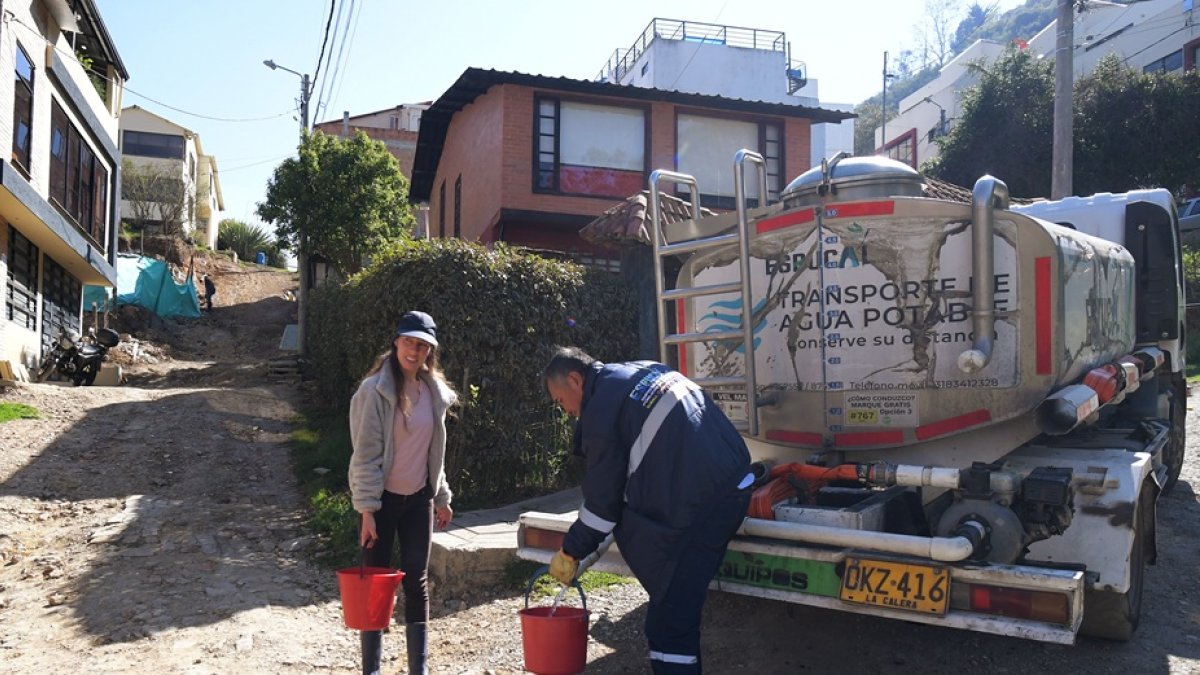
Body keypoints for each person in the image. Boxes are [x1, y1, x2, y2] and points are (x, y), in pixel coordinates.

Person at [543, 347, 753, 674]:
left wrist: (570, 551)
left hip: (706, 503)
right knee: (672, 612)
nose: (566, 411)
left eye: (560, 401)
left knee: (669, 622)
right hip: (736, 476)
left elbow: (602, 507)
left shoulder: (600, 411)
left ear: (575, 380)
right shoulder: (642, 370)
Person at [349, 311, 457, 675]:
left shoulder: (434, 393)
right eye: (409, 341)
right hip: (381, 503)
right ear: (396, 341)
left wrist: (441, 497)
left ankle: (419, 670)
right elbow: (364, 455)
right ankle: (372, 669)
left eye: (423, 344)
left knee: (416, 578)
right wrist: (366, 510)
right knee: (376, 583)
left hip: (419, 501)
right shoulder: (374, 391)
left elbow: (434, 453)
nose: (415, 350)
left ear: (430, 350)